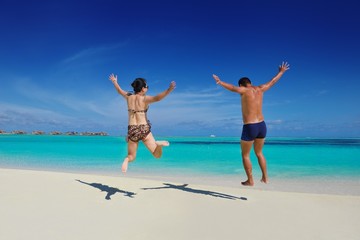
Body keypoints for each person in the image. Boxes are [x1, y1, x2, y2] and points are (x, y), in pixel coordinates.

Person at [212, 62, 290, 186]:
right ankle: (265, 177)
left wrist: (220, 82)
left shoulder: (243, 90)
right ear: (250, 82)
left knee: (245, 154)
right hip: (262, 125)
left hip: (250, 126)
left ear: (242, 84)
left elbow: (232, 88)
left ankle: (250, 180)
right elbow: (272, 82)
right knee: (259, 153)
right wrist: (281, 72)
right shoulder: (260, 89)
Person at [109, 73, 176, 173]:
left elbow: (119, 91)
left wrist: (114, 82)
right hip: (144, 129)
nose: (147, 88)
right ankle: (158, 145)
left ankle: (126, 160)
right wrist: (169, 90)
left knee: (131, 156)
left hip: (132, 130)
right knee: (157, 155)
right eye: (147, 86)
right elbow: (157, 98)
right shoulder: (145, 99)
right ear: (143, 89)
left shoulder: (128, 97)